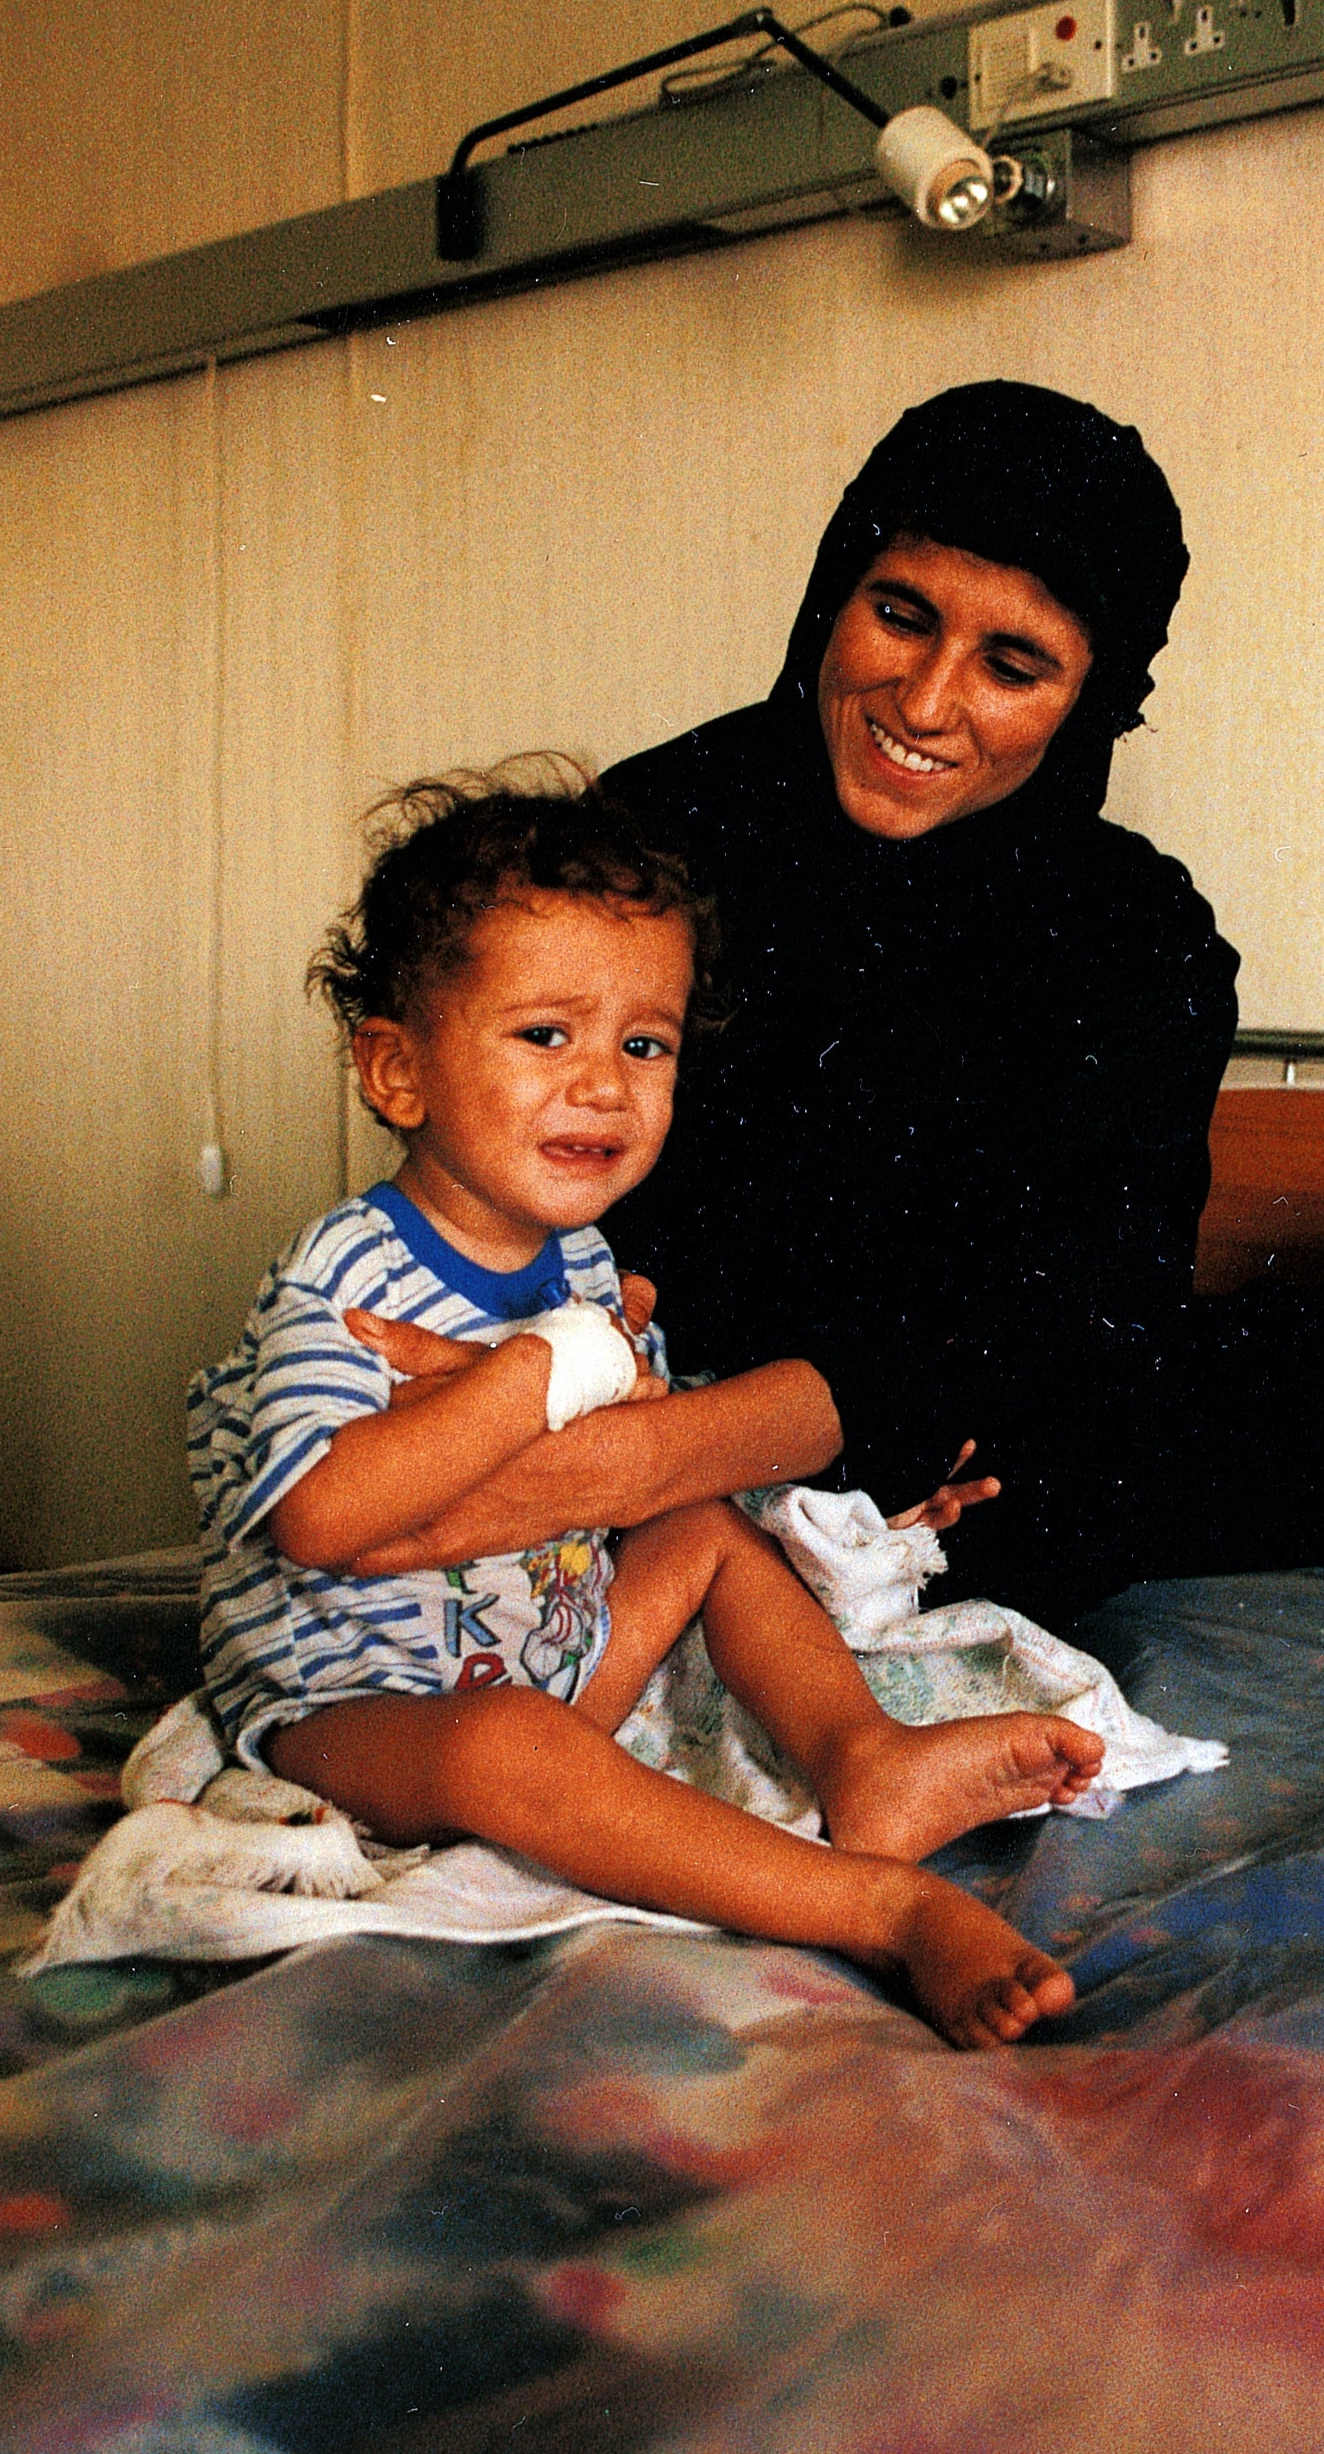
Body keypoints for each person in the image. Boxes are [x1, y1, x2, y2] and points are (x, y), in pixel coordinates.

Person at [191, 768, 1105, 2048]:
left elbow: (645, 1471)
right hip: (361, 1716)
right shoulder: (346, 1274)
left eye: (644, 1044)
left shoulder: (581, 1268)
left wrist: (867, 1525)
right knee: (503, 1746)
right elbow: (318, 1520)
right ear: (396, 1071)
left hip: (553, 1667)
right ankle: (884, 1911)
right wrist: (535, 1373)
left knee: (710, 1538)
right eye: (545, 1035)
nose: (605, 1085)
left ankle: (863, 1758)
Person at [599, 380, 1243, 1619]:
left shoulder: (1136, 945)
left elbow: (1066, 1339)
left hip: (925, 1486)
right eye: (900, 615)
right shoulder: (649, 836)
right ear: (832, 593)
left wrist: (657, 1458)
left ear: (1093, 702)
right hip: (624, 1414)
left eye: (1013, 666)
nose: (926, 703)